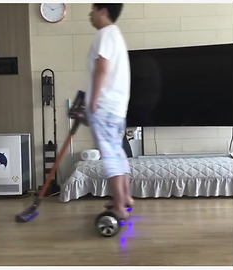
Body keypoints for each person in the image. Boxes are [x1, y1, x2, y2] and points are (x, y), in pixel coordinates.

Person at [86, 3, 133, 220]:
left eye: (93, 9)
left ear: (103, 11)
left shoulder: (104, 34)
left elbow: (102, 68)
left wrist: (94, 100)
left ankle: (120, 209)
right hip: (118, 108)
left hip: (104, 107)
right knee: (118, 152)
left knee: (110, 155)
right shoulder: (116, 35)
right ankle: (124, 198)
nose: (90, 14)